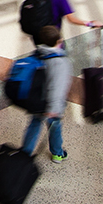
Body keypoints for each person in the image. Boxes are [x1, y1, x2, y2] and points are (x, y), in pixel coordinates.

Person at [21, 26, 73, 163]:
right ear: (59, 41)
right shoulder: (60, 61)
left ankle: (25, 153)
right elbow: (58, 86)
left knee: (34, 124)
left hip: (37, 99)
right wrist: (55, 108)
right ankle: (57, 153)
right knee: (54, 127)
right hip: (51, 103)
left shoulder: (38, 54)